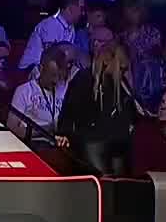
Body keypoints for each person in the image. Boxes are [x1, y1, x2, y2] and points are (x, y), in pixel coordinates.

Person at [57, 39, 137, 175]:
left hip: (116, 143)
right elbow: (68, 115)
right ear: (107, 61)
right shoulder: (84, 80)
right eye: (121, 69)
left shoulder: (122, 85)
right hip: (90, 143)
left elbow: (131, 114)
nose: (123, 73)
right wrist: (65, 134)